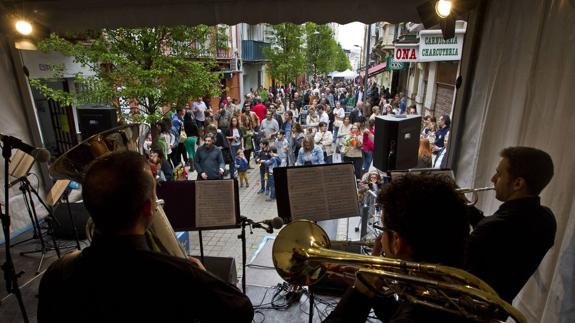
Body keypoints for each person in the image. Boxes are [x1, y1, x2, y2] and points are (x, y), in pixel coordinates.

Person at [38, 151, 253, 323]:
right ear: (149, 208)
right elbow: (241, 309)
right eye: (154, 196)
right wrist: (202, 274)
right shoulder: (181, 275)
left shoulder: (57, 274)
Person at [325, 174, 469, 323]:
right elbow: (401, 313)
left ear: (397, 241)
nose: (380, 238)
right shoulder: (452, 293)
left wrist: (360, 292)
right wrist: (374, 290)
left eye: (383, 229)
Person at [465, 147, 556, 304]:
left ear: (518, 183)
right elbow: (500, 237)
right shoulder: (546, 219)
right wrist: (466, 206)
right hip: (499, 307)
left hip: (464, 308)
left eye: (499, 174)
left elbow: (455, 268)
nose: (493, 179)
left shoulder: (493, 229)